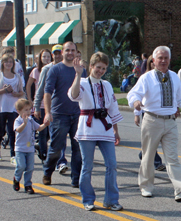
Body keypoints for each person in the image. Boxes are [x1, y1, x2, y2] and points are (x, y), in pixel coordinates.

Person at [127, 46, 181, 202]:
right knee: (148, 157)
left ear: (169, 60)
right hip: (152, 120)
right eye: (160, 58)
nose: (163, 61)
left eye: (166, 58)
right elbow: (133, 93)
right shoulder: (147, 78)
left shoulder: (174, 77)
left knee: (172, 158)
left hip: (170, 122)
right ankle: (146, 186)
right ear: (154, 60)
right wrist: (135, 102)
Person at [68, 52, 123, 211]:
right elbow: (74, 95)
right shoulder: (83, 82)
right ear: (91, 66)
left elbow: (112, 108)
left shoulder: (107, 85)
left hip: (105, 128)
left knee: (111, 165)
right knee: (87, 166)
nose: (100, 71)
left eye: (104, 68)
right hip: (88, 129)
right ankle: (88, 199)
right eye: (98, 67)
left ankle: (111, 200)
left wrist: (116, 131)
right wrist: (78, 75)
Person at [42, 41, 86, 187]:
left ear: (76, 52)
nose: (70, 53)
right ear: (62, 53)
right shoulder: (55, 70)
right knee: (56, 148)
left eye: (73, 50)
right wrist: (48, 112)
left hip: (77, 115)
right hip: (59, 114)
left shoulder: (81, 70)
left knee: (78, 149)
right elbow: (47, 92)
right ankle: (47, 172)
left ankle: (76, 179)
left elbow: (86, 91)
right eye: (67, 50)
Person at [32, 44, 69, 169]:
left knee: (60, 137)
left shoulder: (67, 68)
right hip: (49, 108)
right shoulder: (47, 69)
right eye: (56, 53)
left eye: (60, 53)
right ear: (53, 55)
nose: (58, 55)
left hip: (64, 107)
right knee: (52, 137)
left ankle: (60, 162)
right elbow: (40, 88)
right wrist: (36, 106)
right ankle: (50, 161)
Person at [0, 54, 25, 165]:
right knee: (0, 131)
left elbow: (21, 92)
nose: (8, 64)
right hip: (0, 107)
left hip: (12, 108)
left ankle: (13, 155)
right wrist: (4, 90)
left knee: (12, 131)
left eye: (10, 62)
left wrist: (16, 94)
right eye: (6, 62)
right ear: (2, 64)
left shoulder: (17, 77)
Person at [136, 55, 166, 172]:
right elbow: (137, 96)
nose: (155, 65)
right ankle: (156, 162)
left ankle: (142, 153)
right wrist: (136, 114)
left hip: (162, 114)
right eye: (152, 63)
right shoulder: (145, 78)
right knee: (152, 139)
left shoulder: (164, 77)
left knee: (155, 140)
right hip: (148, 113)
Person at [12, 99, 49, 194]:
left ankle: (28, 184)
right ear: (19, 111)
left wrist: (45, 124)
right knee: (21, 166)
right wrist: (24, 123)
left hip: (30, 149)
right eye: (25, 110)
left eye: (29, 109)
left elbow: (39, 128)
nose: (28, 112)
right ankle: (16, 179)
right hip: (20, 148)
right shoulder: (18, 120)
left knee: (30, 168)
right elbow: (18, 130)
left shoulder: (31, 120)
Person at [25, 49, 52, 163]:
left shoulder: (54, 69)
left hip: (51, 105)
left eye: (48, 56)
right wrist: (30, 100)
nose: (46, 59)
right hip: (39, 104)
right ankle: (44, 154)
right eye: (44, 57)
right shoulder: (36, 71)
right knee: (42, 131)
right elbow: (28, 86)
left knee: (50, 132)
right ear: (40, 58)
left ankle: (40, 147)